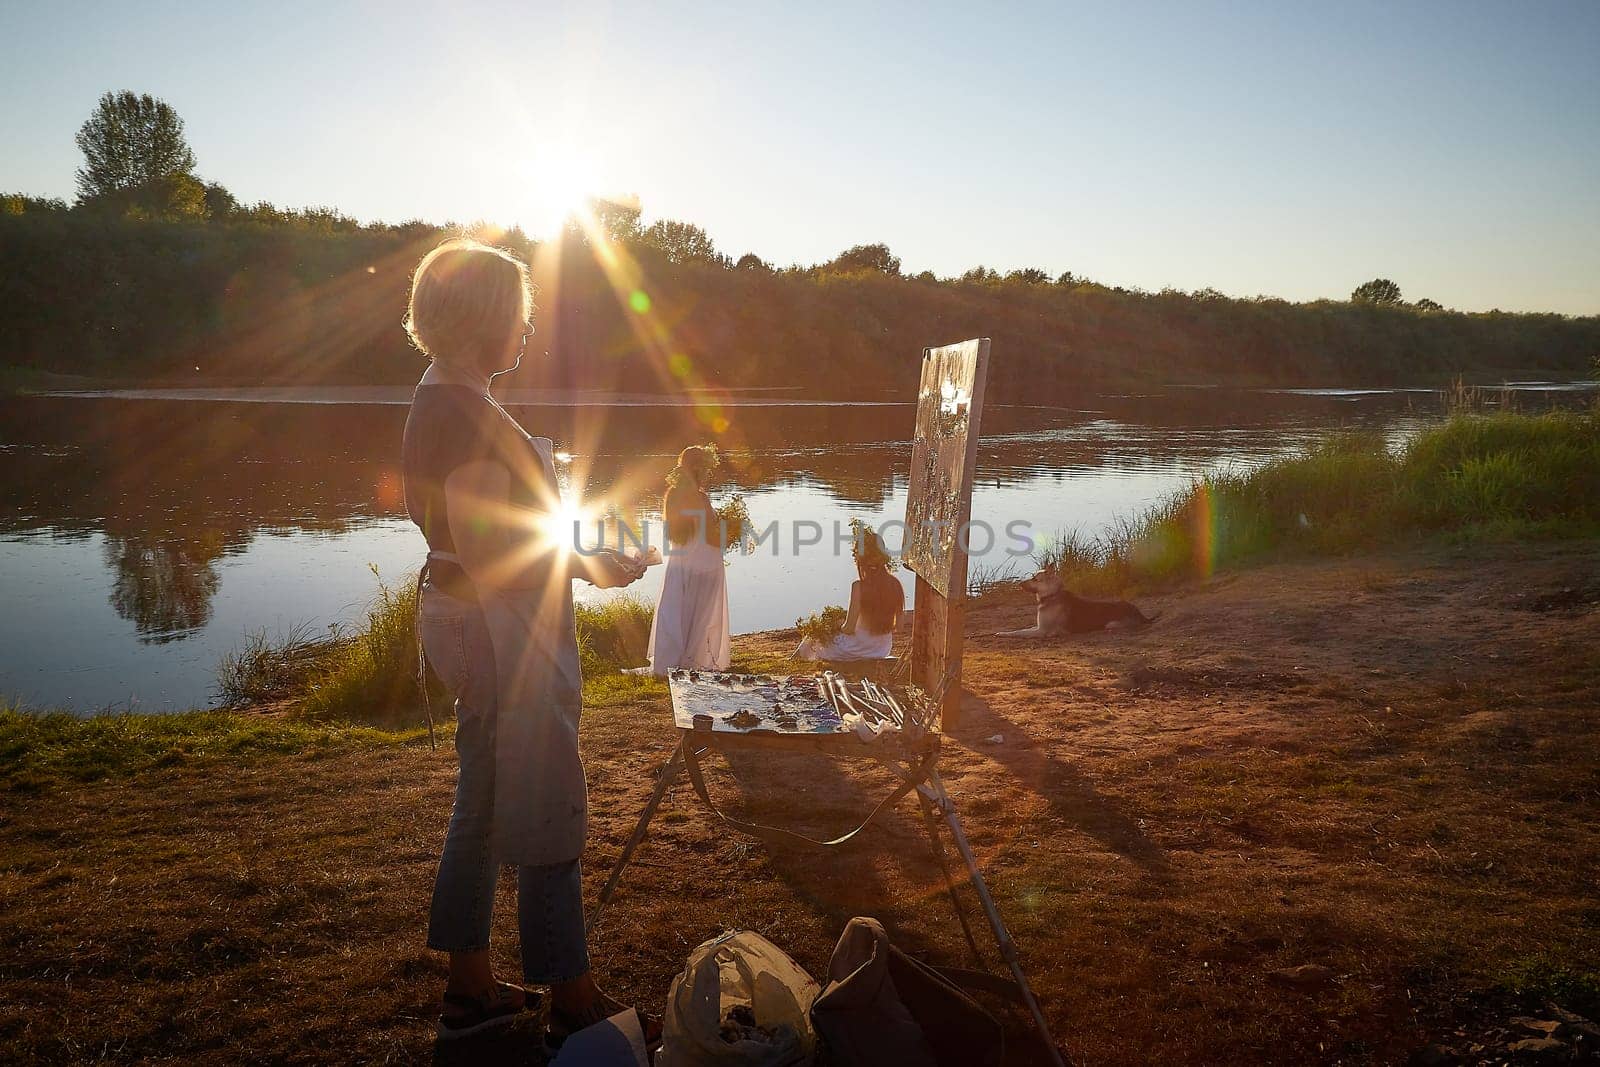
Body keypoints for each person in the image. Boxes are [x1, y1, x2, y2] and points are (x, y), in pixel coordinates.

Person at [399, 238, 656, 1045]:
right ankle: (573, 994)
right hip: (498, 629)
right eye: (519, 312)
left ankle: (470, 988)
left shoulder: (440, 395)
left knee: (479, 800)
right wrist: (596, 568)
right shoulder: (465, 410)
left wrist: (582, 550)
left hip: (463, 616)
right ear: (487, 317)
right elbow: (490, 548)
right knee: (546, 798)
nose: (526, 325)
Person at [627, 445, 732, 676]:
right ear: (698, 469)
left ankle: (671, 661)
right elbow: (712, 537)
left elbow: (675, 535)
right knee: (701, 615)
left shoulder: (672, 496)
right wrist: (733, 529)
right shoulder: (701, 498)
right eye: (706, 468)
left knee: (675, 614)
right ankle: (697, 659)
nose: (708, 473)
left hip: (680, 564)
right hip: (705, 564)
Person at [794, 528, 903, 661]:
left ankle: (795, 659)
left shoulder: (859, 586)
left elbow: (849, 629)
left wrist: (836, 626)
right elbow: (899, 626)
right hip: (881, 649)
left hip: (856, 649)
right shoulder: (895, 584)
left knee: (814, 636)